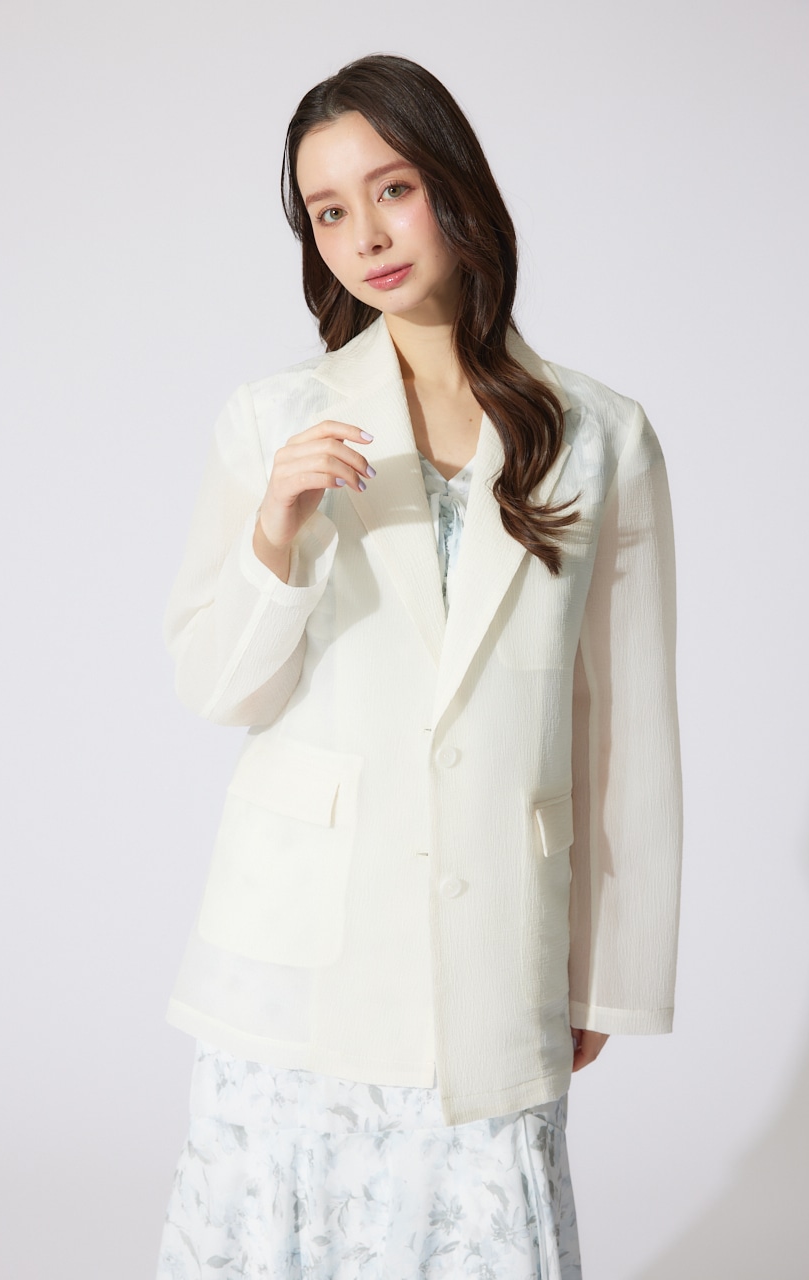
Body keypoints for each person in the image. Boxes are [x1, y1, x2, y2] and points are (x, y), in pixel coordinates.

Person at [155, 53, 682, 1280]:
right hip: (298, 956)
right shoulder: (272, 418)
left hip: (496, 937)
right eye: (329, 210)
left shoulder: (600, 433)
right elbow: (219, 687)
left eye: (390, 188)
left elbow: (626, 724)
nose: (366, 235)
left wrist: (606, 971)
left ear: (454, 185)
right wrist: (275, 529)